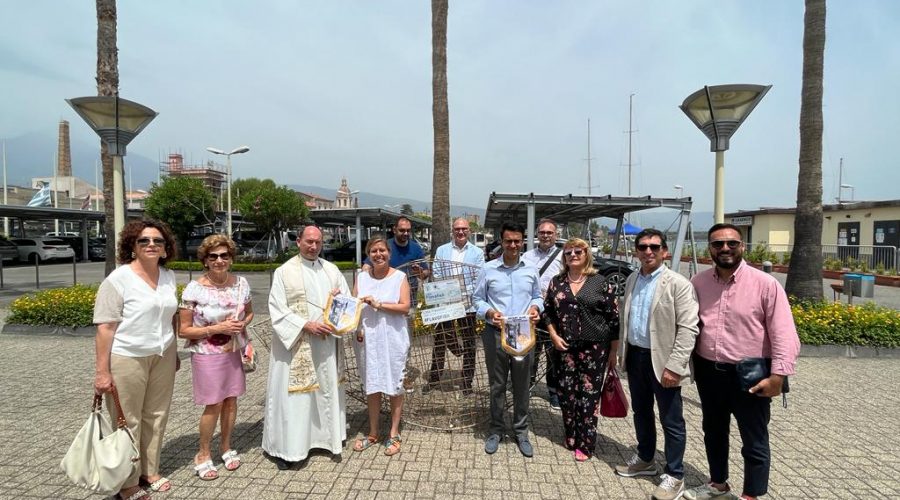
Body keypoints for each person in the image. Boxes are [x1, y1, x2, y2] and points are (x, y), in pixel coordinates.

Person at [684, 224, 800, 500]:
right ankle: (718, 484)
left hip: (750, 375)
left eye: (731, 243)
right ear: (709, 248)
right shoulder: (699, 283)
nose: (725, 248)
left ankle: (752, 494)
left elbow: (784, 332)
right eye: (718, 244)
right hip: (709, 371)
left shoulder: (765, 284)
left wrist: (779, 375)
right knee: (713, 431)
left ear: (742, 247)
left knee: (754, 438)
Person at [92, 220, 180, 500]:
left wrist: (174, 351)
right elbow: (105, 327)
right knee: (126, 420)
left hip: (162, 355)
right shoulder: (118, 280)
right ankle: (127, 481)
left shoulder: (168, 277)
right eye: (144, 241)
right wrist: (102, 372)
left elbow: (169, 318)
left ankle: (149, 470)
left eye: (158, 241)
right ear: (132, 246)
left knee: (156, 416)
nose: (152, 245)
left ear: (166, 249)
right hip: (128, 357)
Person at [614, 229, 699, 500]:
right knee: (641, 412)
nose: (647, 251)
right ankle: (646, 459)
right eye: (642, 247)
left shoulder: (677, 283)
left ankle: (675, 475)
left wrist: (675, 365)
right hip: (637, 356)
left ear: (664, 251)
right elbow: (625, 318)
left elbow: (688, 328)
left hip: (663, 361)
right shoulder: (631, 279)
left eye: (654, 246)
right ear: (637, 251)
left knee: (671, 419)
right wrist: (622, 353)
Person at [262, 226, 351, 470]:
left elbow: (346, 302)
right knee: (297, 397)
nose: (313, 246)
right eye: (309, 241)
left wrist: (338, 303)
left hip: (326, 342)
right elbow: (277, 309)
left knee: (324, 388)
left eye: (318, 242)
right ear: (298, 241)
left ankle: (326, 439)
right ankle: (290, 449)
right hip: (297, 343)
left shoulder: (331, 270)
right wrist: (305, 325)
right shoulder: (284, 271)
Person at [178, 234, 254, 481]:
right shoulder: (195, 288)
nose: (219, 260)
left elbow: (250, 313)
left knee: (231, 401)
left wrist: (241, 324)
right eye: (214, 256)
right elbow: (183, 330)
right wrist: (216, 329)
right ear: (205, 260)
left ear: (231, 258)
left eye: (224, 255)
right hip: (206, 353)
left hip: (233, 350)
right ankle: (203, 452)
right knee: (214, 403)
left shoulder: (241, 284)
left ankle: (225, 446)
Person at [543, 237, 619, 462]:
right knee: (567, 394)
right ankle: (571, 436)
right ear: (564, 258)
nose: (573, 255)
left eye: (578, 251)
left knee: (588, 396)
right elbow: (547, 312)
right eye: (568, 253)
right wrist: (554, 335)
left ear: (587, 254)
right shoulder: (556, 282)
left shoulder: (600, 282)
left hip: (595, 348)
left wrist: (613, 352)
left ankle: (586, 444)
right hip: (565, 347)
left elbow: (613, 319)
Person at [473, 222, 543, 457]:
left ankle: (521, 431)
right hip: (495, 334)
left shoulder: (531, 269)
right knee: (497, 385)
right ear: (501, 242)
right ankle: (495, 429)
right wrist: (490, 313)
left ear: (523, 241)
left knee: (522, 385)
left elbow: (538, 296)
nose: (513, 245)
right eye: (508, 241)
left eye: (517, 241)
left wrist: (536, 308)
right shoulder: (488, 269)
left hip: (523, 334)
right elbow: (477, 300)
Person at [351, 236, 411, 456]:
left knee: (394, 383)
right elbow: (352, 305)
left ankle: (394, 433)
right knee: (372, 383)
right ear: (369, 254)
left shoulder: (400, 277)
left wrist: (380, 305)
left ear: (389, 253)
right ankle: (373, 432)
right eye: (374, 251)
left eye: (382, 250)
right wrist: (339, 300)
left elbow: (405, 307)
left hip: (393, 338)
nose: (378, 254)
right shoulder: (362, 277)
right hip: (368, 338)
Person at [425, 217, 485, 394]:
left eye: (464, 229)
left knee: (469, 344)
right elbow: (436, 273)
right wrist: (450, 293)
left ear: (469, 231)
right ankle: (434, 379)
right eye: (457, 229)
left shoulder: (477, 252)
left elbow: (478, 278)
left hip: (468, 306)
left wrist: (461, 294)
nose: (460, 232)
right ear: (452, 230)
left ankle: (466, 382)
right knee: (440, 342)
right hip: (446, 304)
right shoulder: (442, 250)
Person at [522, 218, 564, 409]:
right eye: (542, 232)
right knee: (530, 350)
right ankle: (527, 385)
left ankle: (553, 391)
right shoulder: (527, 256)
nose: (545, 235)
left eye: (549, 232)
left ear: (556, 235)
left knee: (553, 353)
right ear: (537, 234)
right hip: (531, 309)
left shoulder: (564, 256)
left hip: (554, 312)